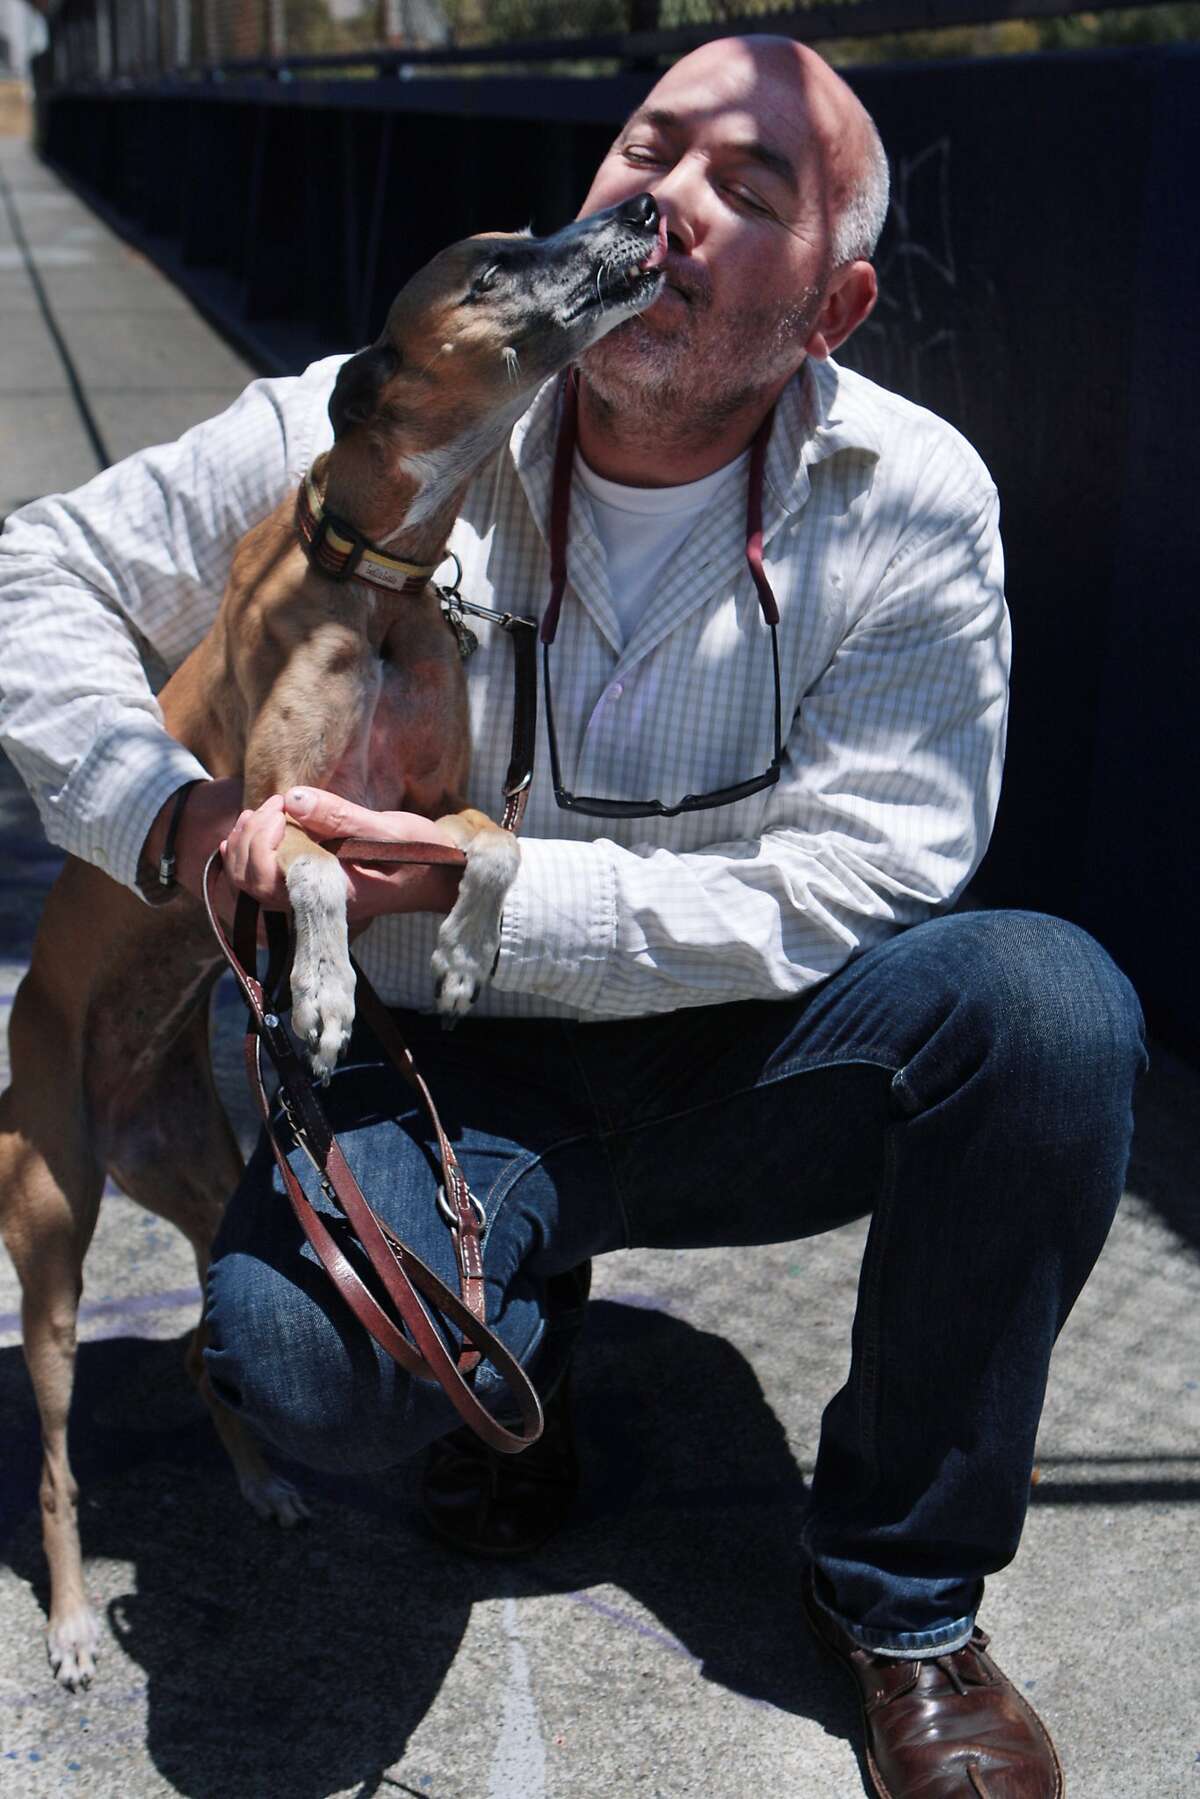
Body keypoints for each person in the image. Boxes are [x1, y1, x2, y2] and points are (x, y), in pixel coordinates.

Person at [0, 35, 1144, 1798]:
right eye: (646, 146)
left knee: (1046, 1012)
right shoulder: (380, 422)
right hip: (447, 1064)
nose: (667, 197)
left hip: (752, 1061)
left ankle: (907, 1603)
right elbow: (35, 567)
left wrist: (515, 891)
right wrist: (167, 817)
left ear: (831, 312)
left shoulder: (912, 501)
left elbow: (887, 866)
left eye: (744, 186)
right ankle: (505, 1344)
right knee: (293, 1360)